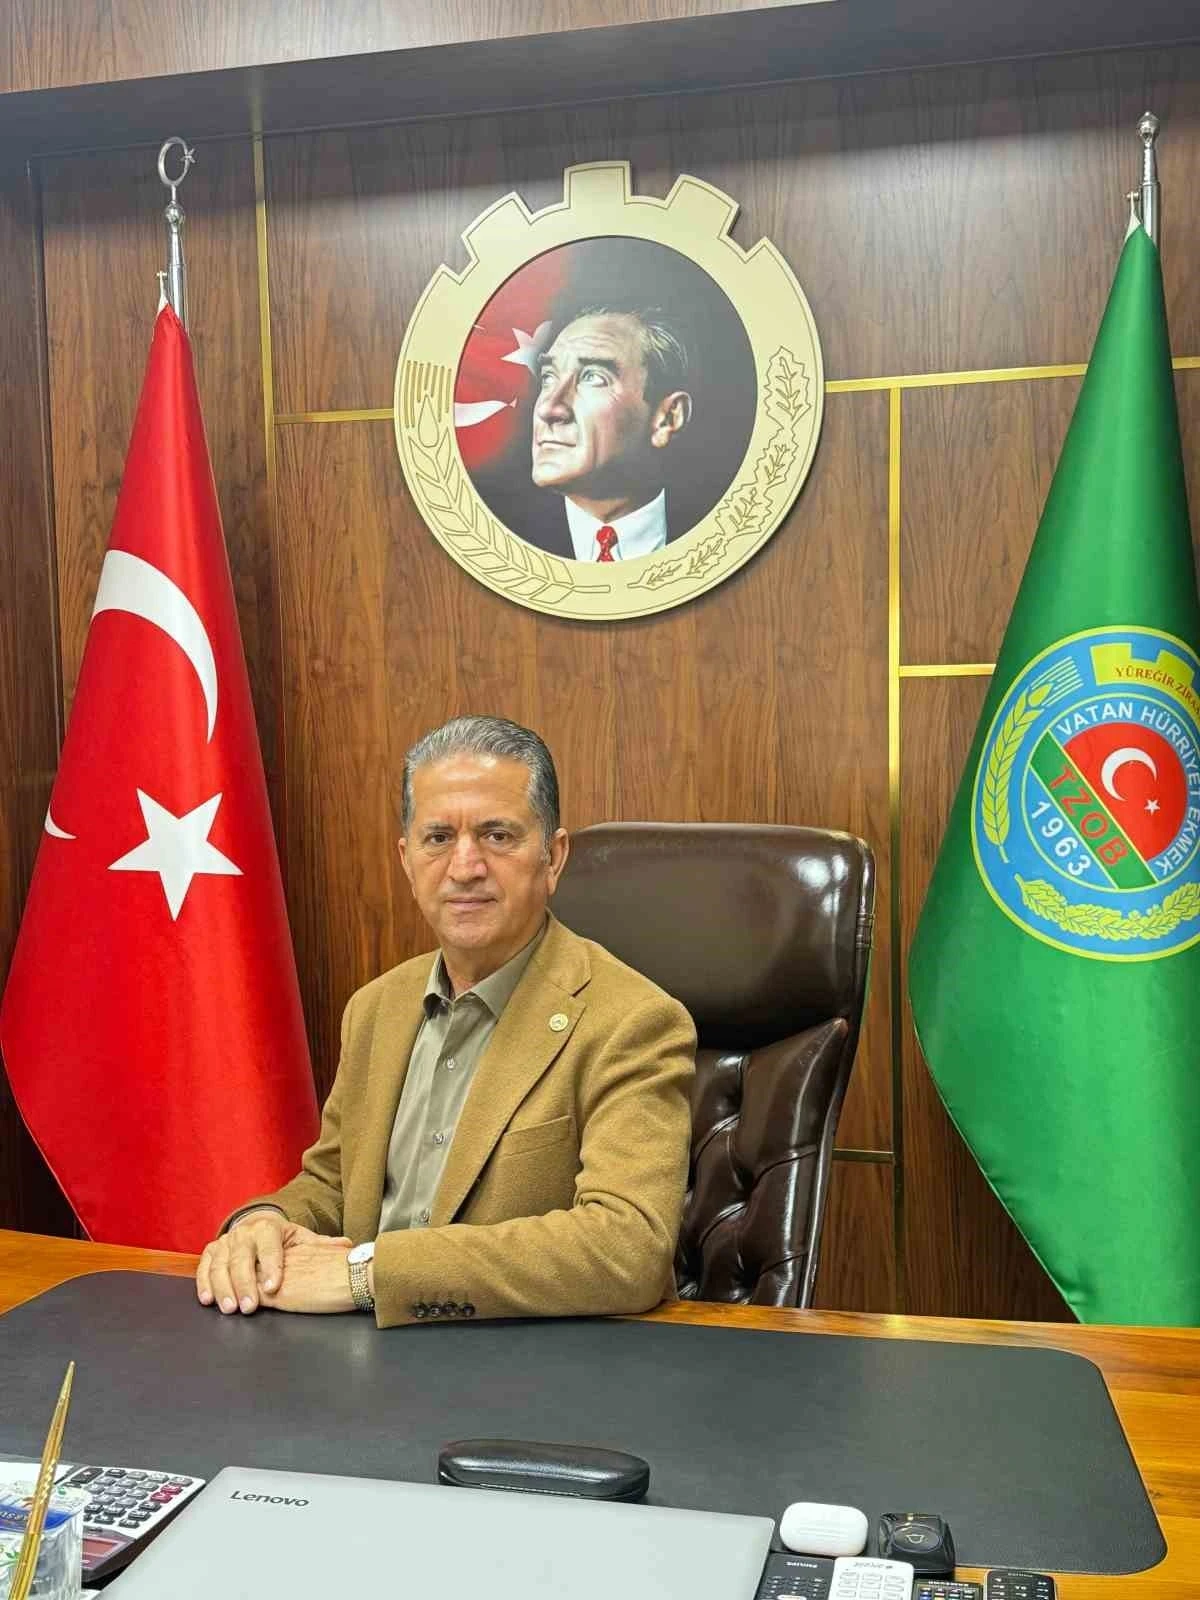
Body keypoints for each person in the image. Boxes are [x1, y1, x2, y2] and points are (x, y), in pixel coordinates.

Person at [196, 716, 696, 1328]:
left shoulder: (633, 1021)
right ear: (407, 861)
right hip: (360, 1357)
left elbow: (628, 1248)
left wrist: (369, 1275)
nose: (464, 866)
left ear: (553, 858)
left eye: (497, 835)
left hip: (529, 1366)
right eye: (437, 837)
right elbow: (334, 1185)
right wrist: (264, 1224)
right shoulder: (376, 1009)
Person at [515, 305, 694, 561]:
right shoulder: (498, 536)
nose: (548, 408)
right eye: (548, 378)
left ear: (667, 418)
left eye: (593, 377)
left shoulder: (719, 528)